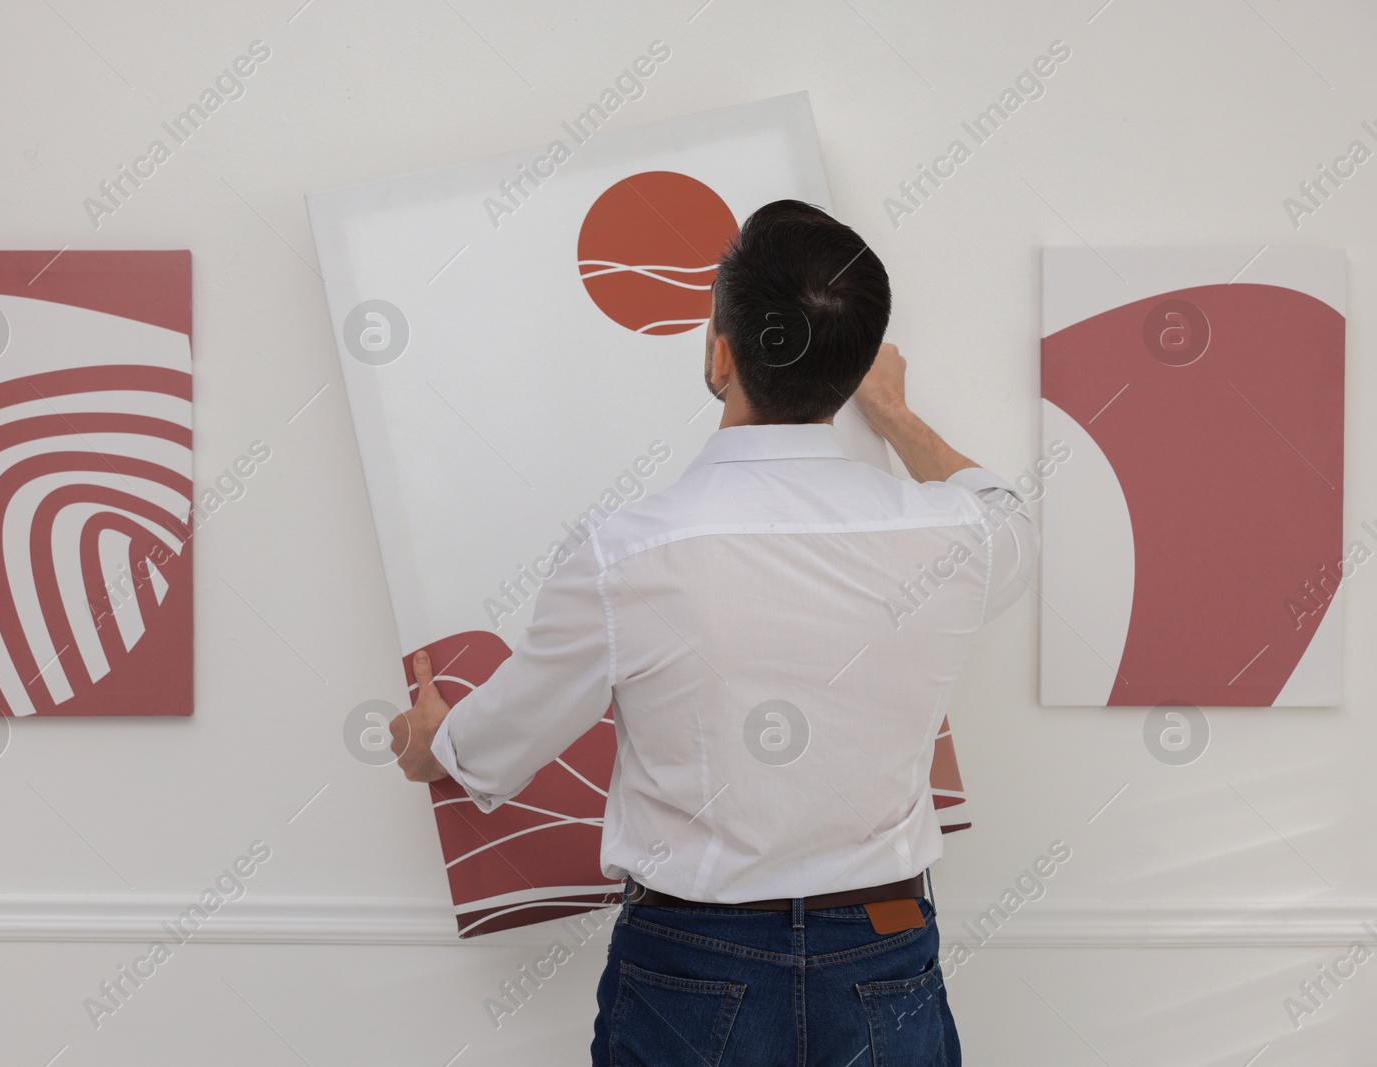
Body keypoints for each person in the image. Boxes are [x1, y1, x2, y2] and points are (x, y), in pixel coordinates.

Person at [390, 200, 1038, 1066]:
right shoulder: (951, 540)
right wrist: (894, 414)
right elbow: (1009, 514)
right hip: (886, 952)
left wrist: (437, 740)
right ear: (852, 376)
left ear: (720, 351)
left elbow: (497, 741)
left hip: (692, 968)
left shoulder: (626, 554)